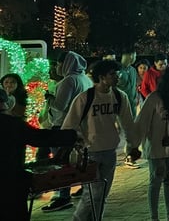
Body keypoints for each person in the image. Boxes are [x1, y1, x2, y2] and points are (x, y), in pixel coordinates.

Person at [62, 58, 137, 221]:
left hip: (110, 152)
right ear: (102, 77)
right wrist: (77, 143)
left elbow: (128, 123)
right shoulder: (85, 98)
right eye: (113, 74)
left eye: (117, 74)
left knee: (102, 194)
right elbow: (69, 125)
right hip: (90, 153)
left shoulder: (119, 96)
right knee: (93, 194)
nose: (117, 77)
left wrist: (133, 145)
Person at [0, 88, 77, 221]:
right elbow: (39, 138)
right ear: (4, 103)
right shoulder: (12, 124)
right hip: (10, 182)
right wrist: (72, 136)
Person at [132, 65, 169, 221]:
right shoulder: (154, 98)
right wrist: (134, 145)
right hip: (156, 145)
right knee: (156, 180)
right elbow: (142, 122)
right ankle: (154, 216)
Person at [43, 50, 92, 213]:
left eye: (59, 63)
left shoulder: (68, 81)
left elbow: (59, 106)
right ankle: (84, 188)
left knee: (61, 162)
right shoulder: (85, 79)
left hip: (63, 126)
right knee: (78, 159)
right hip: (81, 126)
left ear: (66, 64)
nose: (57, 66)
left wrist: (49, 97)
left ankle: (63, 196)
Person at [116, 50, 139, 118]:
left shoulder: (133, 70)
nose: (135, 58)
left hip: (132, 102)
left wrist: (136, 96)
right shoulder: (118, 70)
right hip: (122, 102)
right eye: (134, 56)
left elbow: (135, 85)